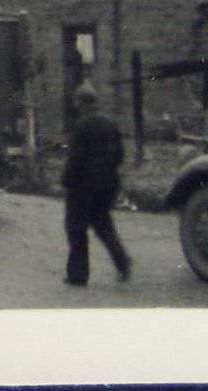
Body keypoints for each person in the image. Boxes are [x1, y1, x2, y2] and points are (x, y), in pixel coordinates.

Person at [61, 82, 132, 286]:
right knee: (103, 226)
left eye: (77, 102)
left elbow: (75, 159)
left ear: (82, 103)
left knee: (75, 229)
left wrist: (67, 182)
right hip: (107, 184)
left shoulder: (82, 126)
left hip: (83, 187)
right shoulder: (110, 123)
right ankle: (123, 262)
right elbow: (119, 155)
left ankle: (77, 275)